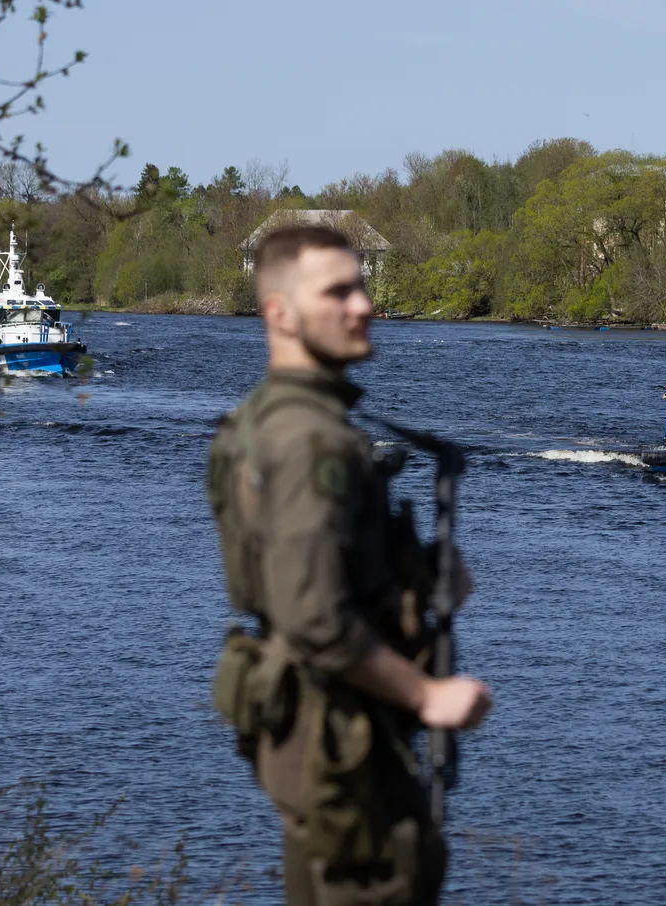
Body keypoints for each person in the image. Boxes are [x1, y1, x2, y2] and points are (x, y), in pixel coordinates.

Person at [207, 226, 492, 906]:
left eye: (360, 287)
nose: (362, 305)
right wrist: (427, 696)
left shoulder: (263, 421)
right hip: (342, 740)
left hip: (313, 734)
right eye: (337, 292)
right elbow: (314, 616)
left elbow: (303, 569)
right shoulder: (313, 440)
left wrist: (420, 577)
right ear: (279, 313)